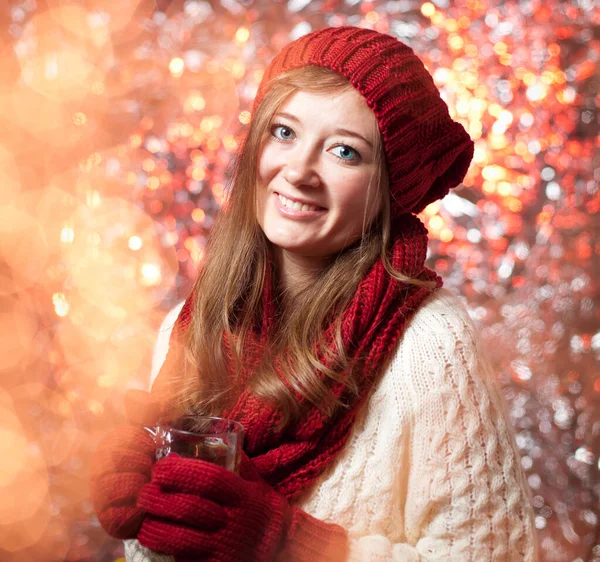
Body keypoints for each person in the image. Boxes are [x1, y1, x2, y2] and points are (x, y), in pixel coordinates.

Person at [90, 26, 539, 561]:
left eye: (345, 152)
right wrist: (145, 503)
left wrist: (288, 545)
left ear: (390, 188)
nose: (298, 171)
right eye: (283, 132)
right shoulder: (189, 327)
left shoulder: (430, 344)